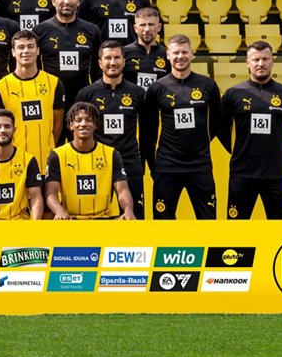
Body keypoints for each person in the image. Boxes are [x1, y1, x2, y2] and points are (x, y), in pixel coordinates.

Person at [218, 40, 282, 220]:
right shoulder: (233, 94)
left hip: (276, 175)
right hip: (242, 174)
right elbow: (220, 128)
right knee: (236, 230)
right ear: (248, 63)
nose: (261, 64)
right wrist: (236, 151)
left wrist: (281, 151)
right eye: (256, 59)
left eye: (265, 59)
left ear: (273, 61)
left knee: (279, 229)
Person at [145, 34, 221, 220]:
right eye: (176, 53)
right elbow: (149, 130)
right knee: (164, 221)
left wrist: (199, 143)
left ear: (192, 54)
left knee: (208, 220)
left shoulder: (208, 85)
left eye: (184, 52)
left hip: (200, 164)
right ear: (168, 56)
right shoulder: (157, 88)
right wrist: (153, 165)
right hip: (167, 165)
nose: (180, 57)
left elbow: (217, 123)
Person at [77, 40, 150, 218]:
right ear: (100, 63)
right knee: (95, 213)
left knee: (135, 215)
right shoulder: (87, 94)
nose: (112, 62)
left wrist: (142, 162)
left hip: (129, 160)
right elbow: (78, 130)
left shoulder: (138, 93)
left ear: (124, 61)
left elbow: (148, 131)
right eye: (108, 58)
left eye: (117, 57)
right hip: (98, 161)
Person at [0, 30, 66, 172]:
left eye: (30, 46)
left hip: (46, 163)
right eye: (21, 47)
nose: (26, 51)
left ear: (38, 51)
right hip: (13, 165)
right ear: (13, 52)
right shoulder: (0, 88)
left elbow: (57, 125)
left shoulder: (54, 84)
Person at [43, 102, 135, 220]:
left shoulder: (111, 154)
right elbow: (51, 192)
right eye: (78, 120)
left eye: (89, 120)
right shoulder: (57, 155)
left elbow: (122, 190)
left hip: (104, 219)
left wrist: (128, 210)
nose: (83, 124)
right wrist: (59, 211)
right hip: (70, 220)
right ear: (71, 125)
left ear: (95, 124)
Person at [33, 0, 102, 107]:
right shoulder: (40, 30)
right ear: (53, 1)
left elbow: (97, 68)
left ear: (78, 1)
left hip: (83, 99)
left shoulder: (92, 30)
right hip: (50, 97)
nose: (67, 1)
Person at [123, 6, 170, 90]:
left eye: (151, 24)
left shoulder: (167, 55)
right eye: (142, 25)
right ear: (135, 28)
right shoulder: (124, 53)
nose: (147, 29)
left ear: (159, 27)